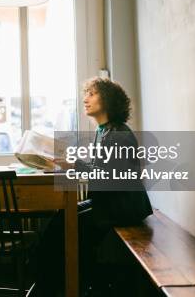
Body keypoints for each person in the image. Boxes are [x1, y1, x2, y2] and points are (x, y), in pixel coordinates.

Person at [35, 77, 152, 296]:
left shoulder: (117, 134)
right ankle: (62, 285)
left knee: (64, 228)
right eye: (85, 93)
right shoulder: (104, 130)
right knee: (61, 221)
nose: (85, 99)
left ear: (107, 100)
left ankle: (66, 286)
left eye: (92, 93)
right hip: (110, 203)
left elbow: (105, 176)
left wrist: (73, 165)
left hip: (124, 208)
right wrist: (72, 164)